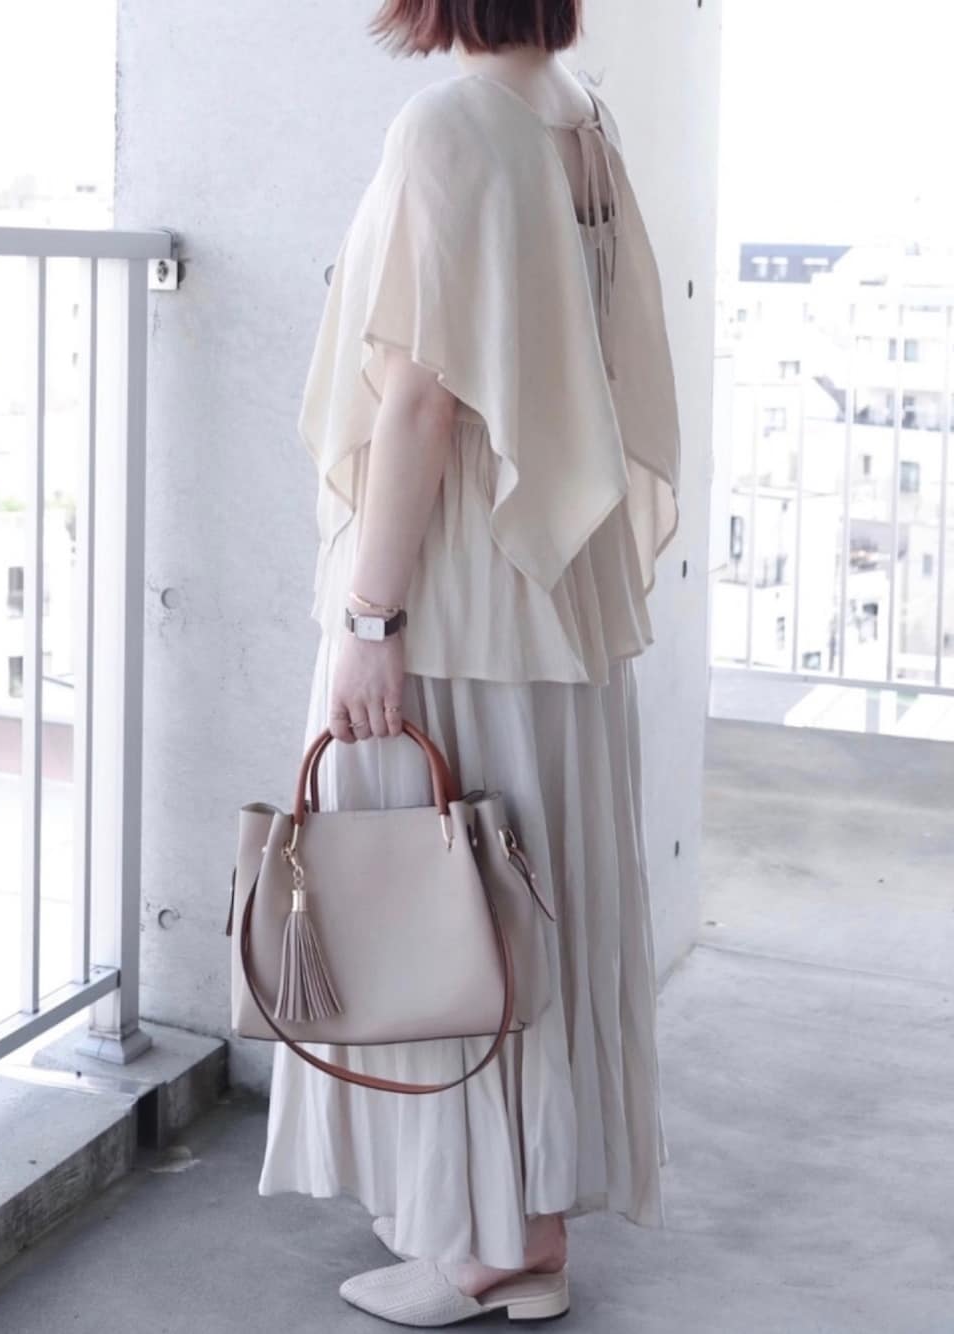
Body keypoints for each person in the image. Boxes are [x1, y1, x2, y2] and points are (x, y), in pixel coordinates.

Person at [258, 0, 682, 1324]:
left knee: (438, 907)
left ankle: (481, 1239)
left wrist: (368, 621)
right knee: (530, 906)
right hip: (551, 593)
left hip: (455, 595)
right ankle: (524, 1233)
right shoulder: (581, 118)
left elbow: (421, 400)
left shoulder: (450, 123)